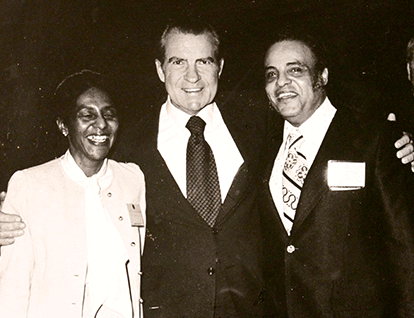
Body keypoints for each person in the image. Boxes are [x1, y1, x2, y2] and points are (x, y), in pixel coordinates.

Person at [0, 19, 414, 318]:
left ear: (220, 67)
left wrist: (396, 138)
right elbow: (69, 186)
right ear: (161, 70)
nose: (193, 76)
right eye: (179, 62)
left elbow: (317, 111)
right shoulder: (127, 143)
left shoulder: (259, 122)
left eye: (204, 61)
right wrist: (9, 212)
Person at [259, 31, 414, 317]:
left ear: (323, 76)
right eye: (271, 74)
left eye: (295, 70)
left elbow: (405, 249)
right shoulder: (260, 148)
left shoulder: (373, 139)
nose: (281, 83)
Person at [0, 70, 146, 318]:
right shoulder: (29, 184)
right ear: (63, 125)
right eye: (87, 115)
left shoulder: (132, 179)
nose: (101, 124)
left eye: (108, 114)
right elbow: (12, 288)